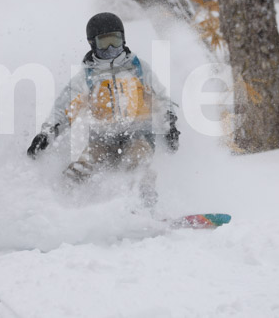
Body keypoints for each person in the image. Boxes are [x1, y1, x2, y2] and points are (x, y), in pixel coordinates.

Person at [27, 12, 179, 208]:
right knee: (81, 168)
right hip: (102, 139)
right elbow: (64, 110)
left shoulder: (139, 69)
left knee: (138, 161)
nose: (111, 49)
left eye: (115, 41)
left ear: (123, 39)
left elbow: (162, 100)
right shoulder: (87, 78)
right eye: (104, 43)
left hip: (139, 135)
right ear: (92, 43)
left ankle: (144, 209)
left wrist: (170, 127)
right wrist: (46, 135)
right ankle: (60, 206)